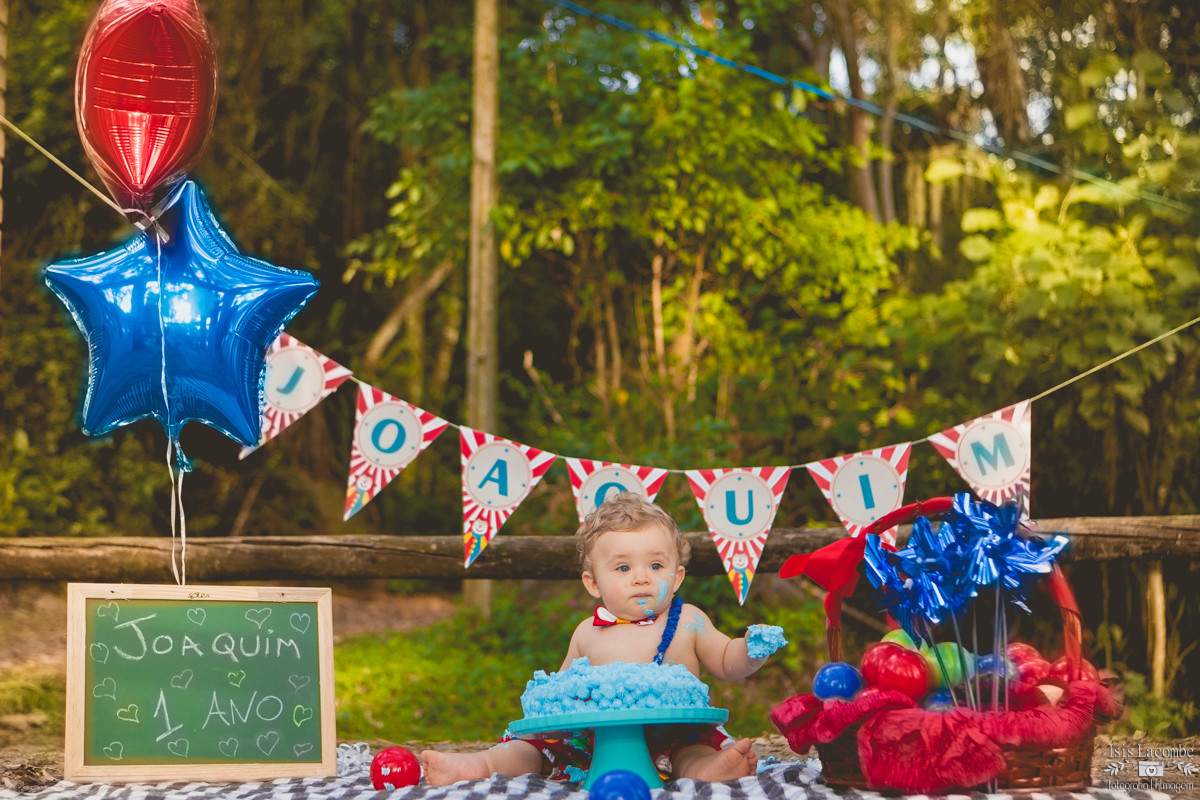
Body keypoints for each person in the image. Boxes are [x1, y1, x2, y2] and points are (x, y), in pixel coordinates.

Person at [422, 492, 787, 785]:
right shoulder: (587, 632)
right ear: (593, 583)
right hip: (592, 742)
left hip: (674, 735)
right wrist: (550, 713)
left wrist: (750, 651)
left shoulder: (688, 621)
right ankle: (481, 765)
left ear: (676, 578)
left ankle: (710, 771)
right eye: (624, 568)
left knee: (692, 754)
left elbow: (726, 660)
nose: (641, 578)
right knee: (531, 748)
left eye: (656, 566)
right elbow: (559, 698)